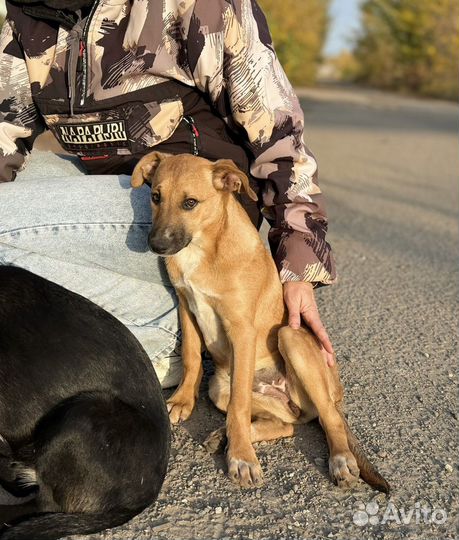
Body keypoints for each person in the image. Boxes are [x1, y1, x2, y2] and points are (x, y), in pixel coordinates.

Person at [0, 0, 336, 387]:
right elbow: (6, 129)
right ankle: (142, 316)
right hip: (113, 190)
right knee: (23, 191)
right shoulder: (27, 13)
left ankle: (164, 339)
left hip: (191, 209)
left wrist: (300, 264)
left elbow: (278, 135)